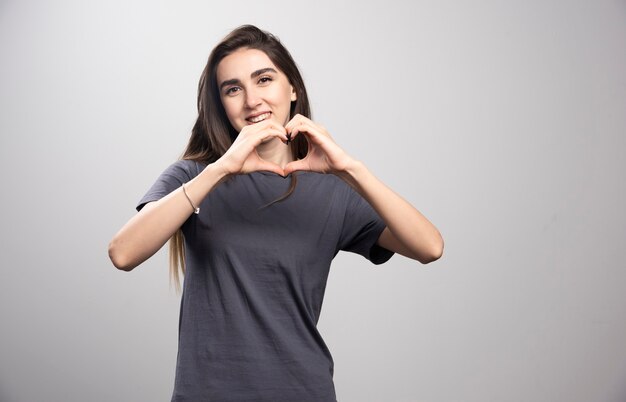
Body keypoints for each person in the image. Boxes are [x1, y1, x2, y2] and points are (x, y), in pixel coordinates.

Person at [108, 24, 444, 402]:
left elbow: (429, 247)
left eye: (264, 79)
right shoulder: (194, 177)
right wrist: (221, 169)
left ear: (292, 89)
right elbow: (123, 253)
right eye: (233, 89)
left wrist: (348, 168)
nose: (252, 100)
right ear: (222, 104)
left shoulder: (334, 191)